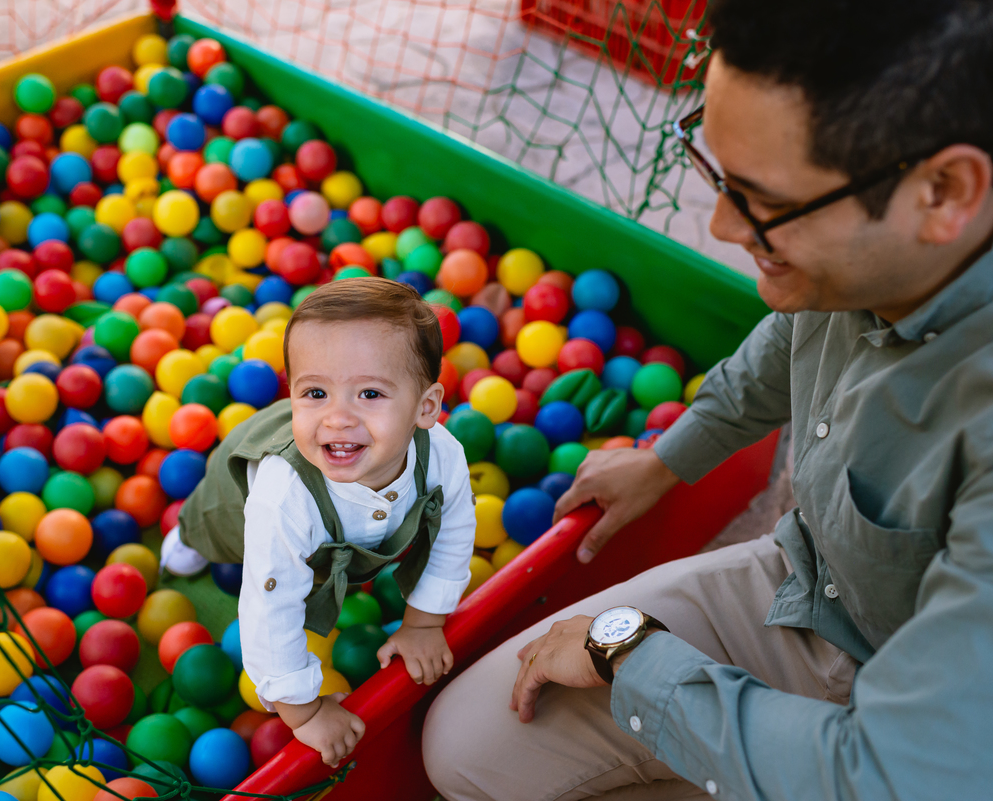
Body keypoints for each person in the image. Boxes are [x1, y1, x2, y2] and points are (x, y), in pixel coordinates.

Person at [422, 0, 993, 798]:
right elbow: (788, 338)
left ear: (943, 192)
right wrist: (669, 457)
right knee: (469, 747)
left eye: (759, 200)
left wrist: (632, 654)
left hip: (936, 740)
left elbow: (905, 770)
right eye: (715, 168)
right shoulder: (862, 259)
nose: (722, 225)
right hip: (822, 592)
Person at [162, 277, 476, 767]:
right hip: (236, 500)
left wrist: (424, 622)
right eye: (314, 393)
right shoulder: (281, 495)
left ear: (426, 407)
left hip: (338, 535)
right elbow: (268, 614)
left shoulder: (441, 456)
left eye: (370, 393)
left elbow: (454, 530)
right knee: (213, 530)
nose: (336, 418)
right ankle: (186, 535)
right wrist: (304, 712)